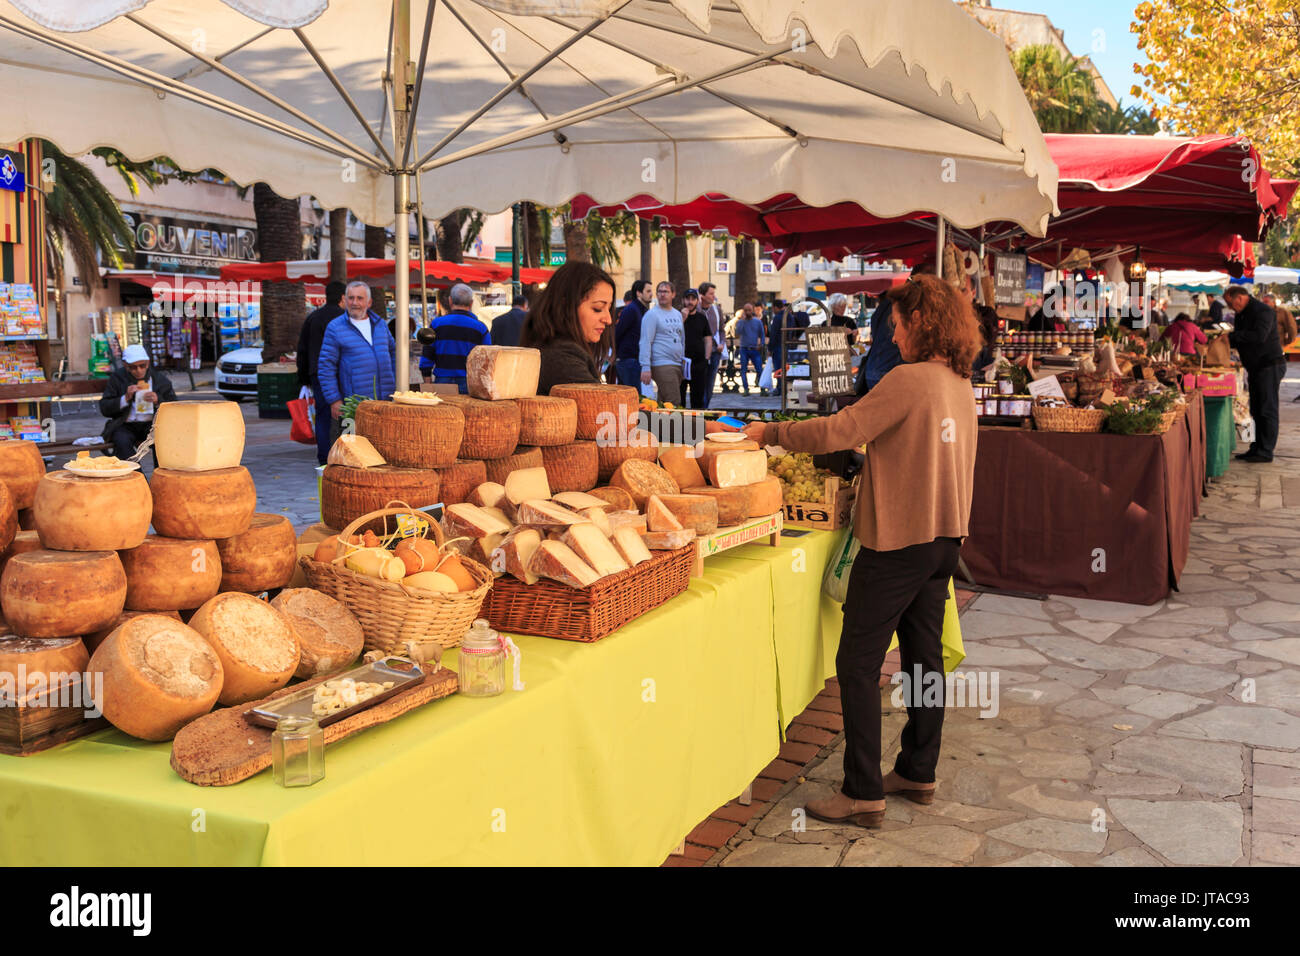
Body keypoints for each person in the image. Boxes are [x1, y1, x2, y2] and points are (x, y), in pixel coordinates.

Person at [743, 274, 978, 828]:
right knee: (924, 661)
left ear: (920, 322)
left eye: (896, 326)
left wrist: (768, 433)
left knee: (856, 662)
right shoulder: (957, 383)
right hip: (945, 540)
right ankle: (918, 770)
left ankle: (861, 790)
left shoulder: (910, 380)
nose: (893, 338)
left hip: (899, 541)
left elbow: (841, 431)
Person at [520, 261, 617, 396]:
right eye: (598, 308)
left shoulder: (553, 347)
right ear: (566, 306)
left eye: (609, 308)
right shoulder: (562, 357)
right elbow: (600, 407)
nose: (608, 319)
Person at [317, 281, 397, 436]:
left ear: (369, 302)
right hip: (353, 407)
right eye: (351, 298)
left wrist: (394, 384)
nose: (355, 303)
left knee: (382, 449)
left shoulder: (380, 325)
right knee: (354, 452)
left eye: (360, 298)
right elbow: (326, 366)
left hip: (384, 404)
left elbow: (393, 352)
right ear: (345, 300)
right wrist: (334, 400)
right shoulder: (335, 327)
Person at [1226, 285, 1285, 462]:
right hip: (1255, 367)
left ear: (1241, 298)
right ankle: (1256, 447)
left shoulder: (1263, 311)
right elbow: (1240, 336)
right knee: (1257, 409)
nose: (1230, 308)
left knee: (1267, 408)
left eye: (1231, 303)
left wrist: (1232, 337)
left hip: (1269, 365)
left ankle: (1266, 450)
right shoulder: (1241, 313)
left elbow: (1259, 336)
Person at [296, 279, 346, 465]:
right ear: (343, 297)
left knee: (323, 414)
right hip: (340, 373)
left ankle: (324, 456)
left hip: (317, 374)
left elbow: (302, 349)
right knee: (345, 413)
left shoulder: (313, 317)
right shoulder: (346, 318)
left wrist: (303, 377)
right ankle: (344, 454)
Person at [99, 344, 177, 460]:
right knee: (121, 441)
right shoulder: (118, 378)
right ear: (126, 366)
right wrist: (124, 398)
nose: (139, 370)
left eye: (142, 366)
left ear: (148, 363)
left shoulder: (160, 380)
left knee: (162, 440)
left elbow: (175, 406)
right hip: (126, 424)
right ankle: (137, 475)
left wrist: (158, 401)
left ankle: (159, 475)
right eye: (133, 367)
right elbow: (104, 407)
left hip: (152, 425)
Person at [420, 283, 489, 392]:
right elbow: (486, 359)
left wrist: (427, 382)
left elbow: (427, 355)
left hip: (442, 381)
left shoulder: (436, 324)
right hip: (469, 382)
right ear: (471, 303)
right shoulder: (480, 328)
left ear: (450, 301)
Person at [639, 280, 685, 403]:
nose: (662, 294)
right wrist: (645, 367)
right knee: (674, 401)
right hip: (661, 363)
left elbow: (681, 339)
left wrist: (683, 360)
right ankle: (673, 423)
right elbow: (645, 341)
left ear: (673, 294)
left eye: (666, 291)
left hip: (676, 363)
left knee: (664, 402)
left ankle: (658, 423)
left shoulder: (677, 314)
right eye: (659, 292)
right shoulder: (652, 315)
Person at [679, 288, 713, 408]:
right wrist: (682, 318)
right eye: (687, 299)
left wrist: (706, 358)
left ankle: (696, 424)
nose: (690, 302)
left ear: (697, 301)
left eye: (693, 299)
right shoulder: (677, 316)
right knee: (679, 398)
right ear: (683, 300)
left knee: (697, 399)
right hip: (680, 363)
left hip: (698, 363)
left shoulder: (702, 318)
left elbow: (708, 339)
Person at [614, 279, 651, 388]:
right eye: (648, 291)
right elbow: (618, 333)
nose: (651, 294)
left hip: (633, 361)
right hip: (628, 361)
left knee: (626, 400)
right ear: (639, 293)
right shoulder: (631, 310)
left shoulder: (642, 310)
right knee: (632, 398)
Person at [698, 282, 725, 405]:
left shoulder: (717, 309)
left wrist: (722, 343)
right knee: (700, 381)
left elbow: (721, 330)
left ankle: (705, 406)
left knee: (710, 382)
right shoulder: (696, 310)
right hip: (700, 352)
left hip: (715, 352)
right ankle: (700, 407)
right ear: (702, 295)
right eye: (711, 293)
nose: (713, 296)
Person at [734, 302, 765, 394]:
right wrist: (742, 321)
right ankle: (746, 389)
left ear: (752, 310)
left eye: (749, 310)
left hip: (754, 349)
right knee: (743, 370)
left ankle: (762, 388)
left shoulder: (758, 322)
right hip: (744, 349)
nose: (747, 312)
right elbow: (737, 332)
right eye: (746, 310)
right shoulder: (740, 322)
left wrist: (761, 344)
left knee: (759, 369)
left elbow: (762, 334)